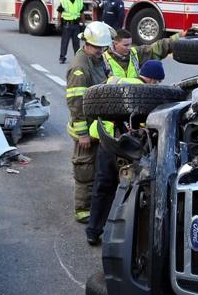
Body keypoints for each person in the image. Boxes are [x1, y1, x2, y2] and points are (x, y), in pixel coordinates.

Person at [85, 60, 165, 246]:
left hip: (107, 144)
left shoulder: (116, 83)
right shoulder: (150, 94)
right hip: (131, 150)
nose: (158, 85)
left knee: (102, 188)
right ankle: (124, 238)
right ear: (153, 79)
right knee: (132, 192)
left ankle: (93, 231)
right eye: (158, 81)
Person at [65, 21, 112, 223]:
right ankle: (83, 210)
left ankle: (94, 206)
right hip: (84, 129)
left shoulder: (97, 59)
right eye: (97, 47)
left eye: (103, 47)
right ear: (86, 43)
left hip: (96, 127)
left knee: (96, 169)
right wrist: (83, 133)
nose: (101, 51)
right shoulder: (79, 67)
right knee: (84, 169)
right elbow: (76, 103)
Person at [101, 27, 179, 81]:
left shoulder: (135, 53)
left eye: (130, 44)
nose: (129, 48)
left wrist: (179, 37)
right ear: (115, 43)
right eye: (125, 45)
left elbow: (158, 47)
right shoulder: (103, 59)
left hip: (135, 98)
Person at [55, 0, 85, 64]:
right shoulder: (64, 1)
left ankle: (77, 58)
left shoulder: (79, 1)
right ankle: (62, 57)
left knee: (76, 43)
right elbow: (59, 12)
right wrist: (59, 23)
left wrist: (83, 24)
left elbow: (82, 13)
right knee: (65, 42)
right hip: (67, 25)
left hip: (76, 25)